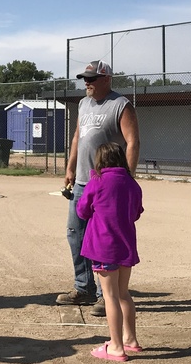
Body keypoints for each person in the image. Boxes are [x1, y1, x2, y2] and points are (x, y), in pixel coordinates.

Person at [60, 60, 140, 316]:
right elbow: (77, 137)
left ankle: (106, 296)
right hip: (83, 181)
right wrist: (70, 167)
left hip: (107, 185)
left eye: (92, 79)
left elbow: (132, 141)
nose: (87, 83)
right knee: (76, 234)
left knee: (107, 238)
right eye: (85, 78)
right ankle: (83, 287)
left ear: (106, 79)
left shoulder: (121, 105)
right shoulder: (84, 104)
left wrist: (126, 177)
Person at [76, 142, 144, 361]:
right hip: (125, 245)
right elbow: (136, 213)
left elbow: (82, 210)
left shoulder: (97, 181)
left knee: (110, 296)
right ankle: (130, 339)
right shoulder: (132, 184)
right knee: (123, 293)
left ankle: (115, 346)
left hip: (104, 247)